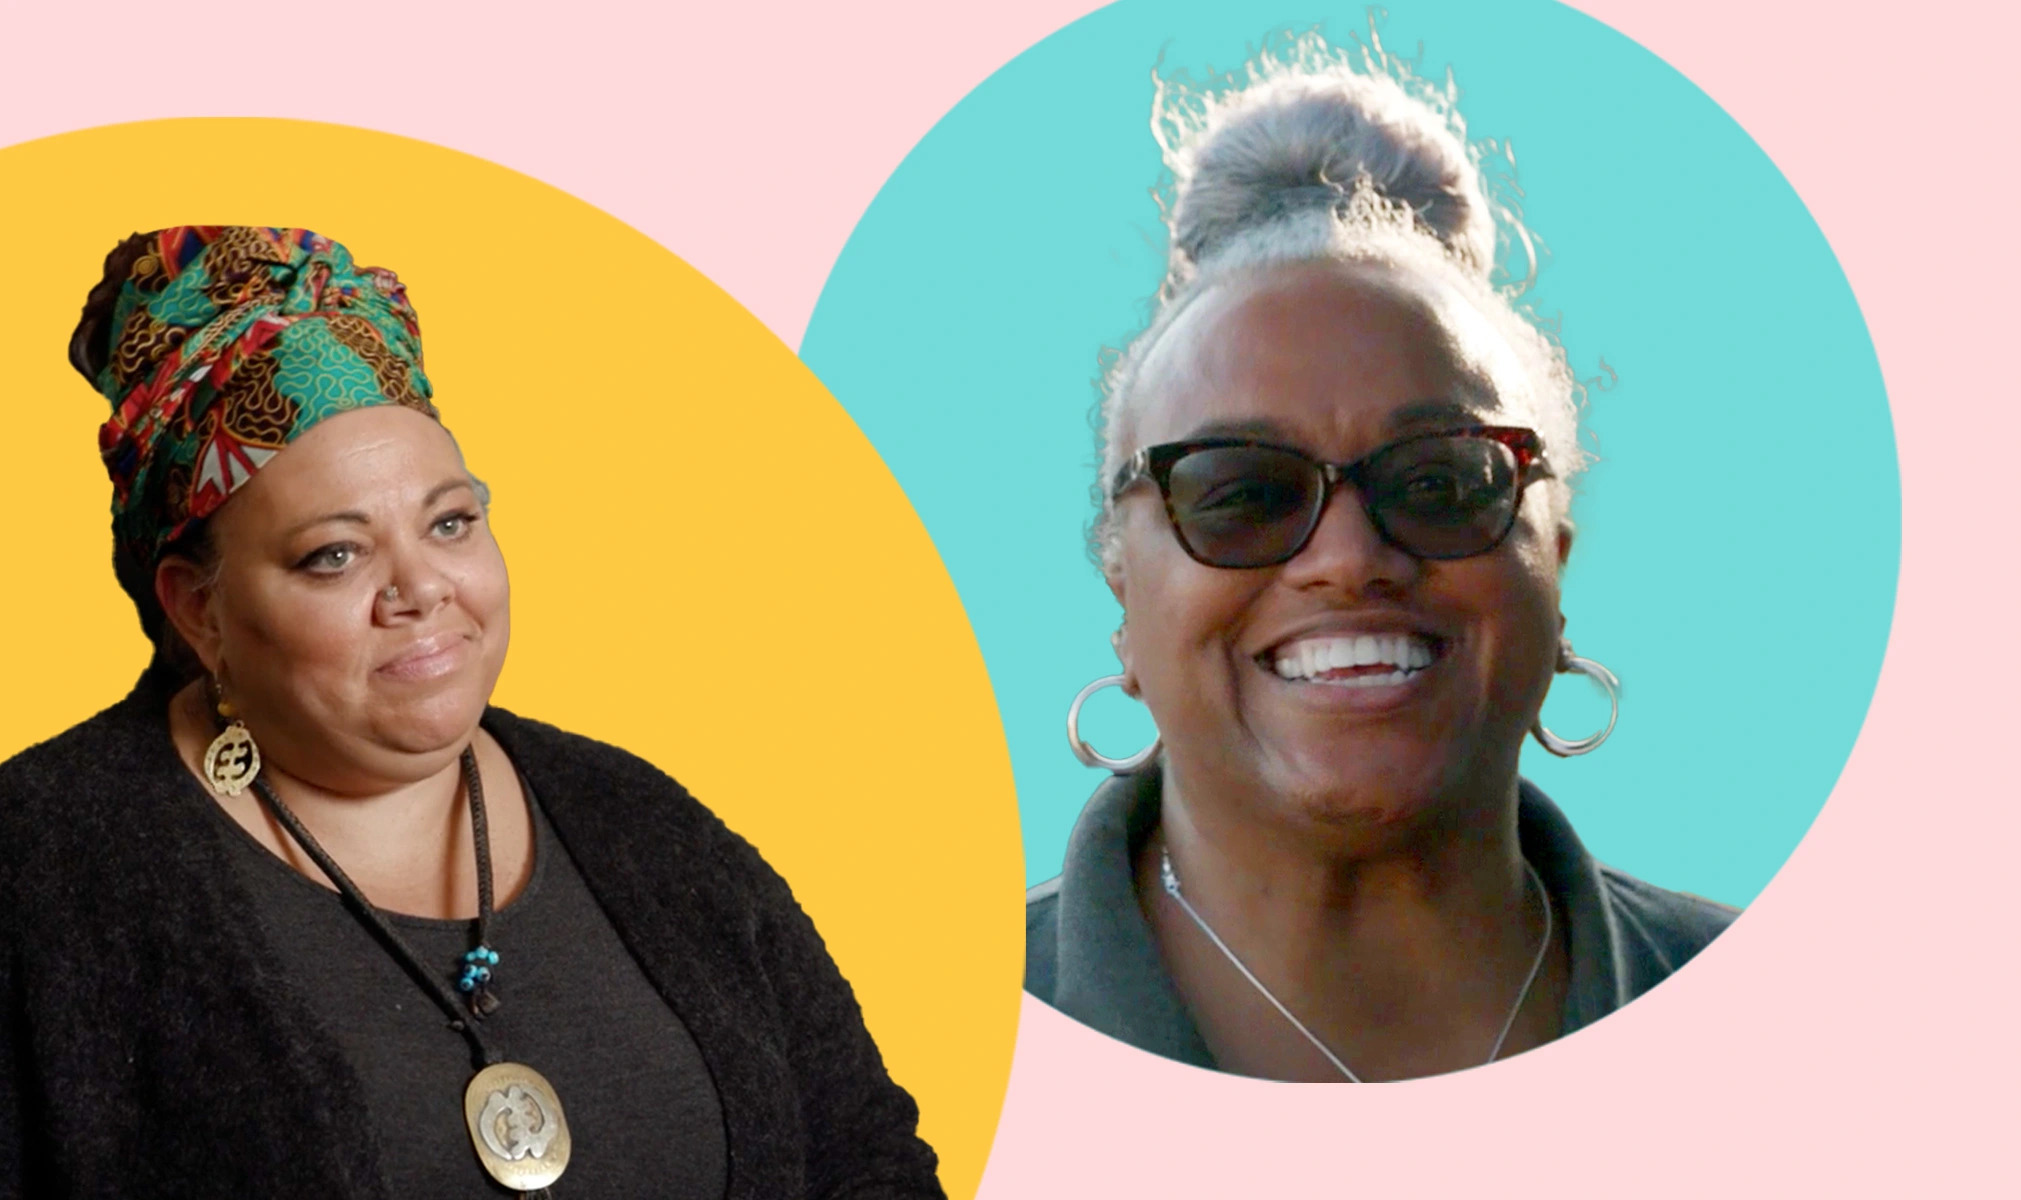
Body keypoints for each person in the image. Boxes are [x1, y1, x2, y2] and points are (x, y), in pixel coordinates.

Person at [0, 226, 944, 1197]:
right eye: (335, 554)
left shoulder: (648, 827)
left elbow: (869, 1165)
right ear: (198, 610)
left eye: (450, 523)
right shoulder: (40, 868)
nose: (421, 589)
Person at [1024, 40, 1737, 1083]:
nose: (1349, 559)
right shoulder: (904, 1034)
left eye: (1441, 482)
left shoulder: (1796, 1015)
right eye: (1241, 494)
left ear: (1554, 568)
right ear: (1123, 602)